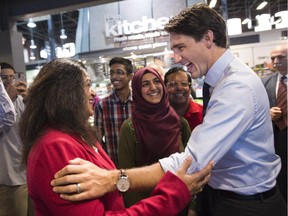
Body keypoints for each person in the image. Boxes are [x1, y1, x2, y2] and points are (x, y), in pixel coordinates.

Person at [51, 4, 287, 216]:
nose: (176, 58)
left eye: (180, 47)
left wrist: (114, 179)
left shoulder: (236, 86)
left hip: (246, 206)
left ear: (207, 38)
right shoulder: (218, 81)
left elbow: (192, 160)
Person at [19, 58, 213, 215]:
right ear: (66, 94)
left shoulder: (78, 136)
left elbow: (114, 181)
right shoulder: (54, 147)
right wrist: (174, 194)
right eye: (87, 85)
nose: (93, 92)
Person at [118, 67, 191, 210]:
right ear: (137, 90)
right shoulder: (130, 128)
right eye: (145, 84)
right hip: (148, 208)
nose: (153, 87)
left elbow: (194, 166)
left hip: (181, 203)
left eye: (157, 81)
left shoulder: (179, 123)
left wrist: (193, 207)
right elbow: (125, 177)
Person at [0, 62, 33, 216]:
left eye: (12, 77)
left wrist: (29, 100)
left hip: (26, 175)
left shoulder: (21, 100)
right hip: (6, 178)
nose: (9, 81)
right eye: (3, 78)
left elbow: (34, 128)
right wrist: (8, 98)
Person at [94, 57, 133, 167]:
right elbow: (97, 139)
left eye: (119, 72)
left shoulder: (139, 103)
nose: (114, 77)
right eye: (112, 73)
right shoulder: (102, 105)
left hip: (139, 165)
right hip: (114, 165)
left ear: (130, 76)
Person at [262, 43, 287, 202]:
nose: (276, 61)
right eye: (273, 58)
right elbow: (257, 109)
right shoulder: (265, 82)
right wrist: (267, 114)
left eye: (281, 57)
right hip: (276, 140)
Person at [164, 66, 203, 131]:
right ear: (165, 88)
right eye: (173, 84)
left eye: (184, 84)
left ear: (190, 88)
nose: (179, 88)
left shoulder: (205, 113)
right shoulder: (159, 115)